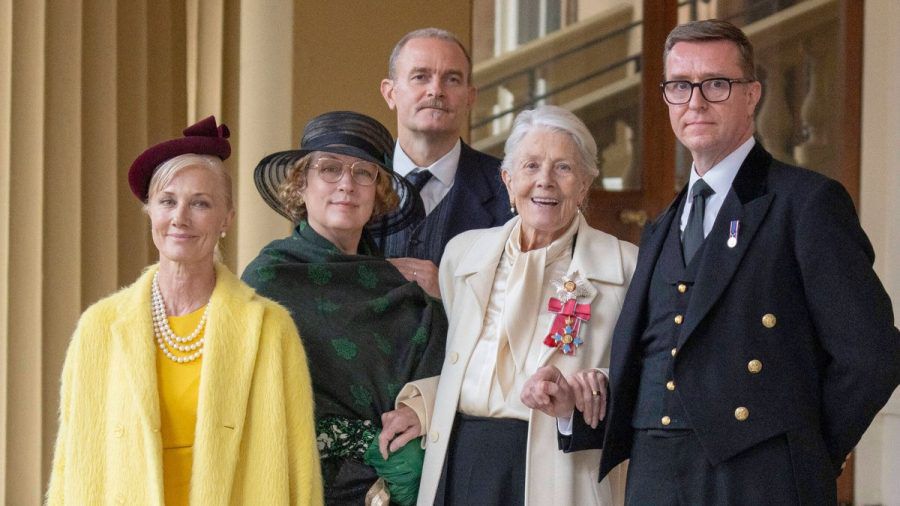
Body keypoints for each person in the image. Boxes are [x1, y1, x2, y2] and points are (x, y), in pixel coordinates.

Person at [523, 19, 900, 505]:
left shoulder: (805, 204)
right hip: (653, 479)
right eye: (680, 86)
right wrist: (578, 405)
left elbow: (871, 355)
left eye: (716, 84)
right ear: (666, 99)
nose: (695, 102)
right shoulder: (661, 227)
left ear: (752, 95)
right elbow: (658, 364)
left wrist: (803, 451)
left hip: (757, 484)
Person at [46, 116, 323, 505]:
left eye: (200, 203)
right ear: (150, 213)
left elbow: (301, 472)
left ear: (226, 218)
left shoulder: (270, 330)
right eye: (168, 201)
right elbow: (69, 466)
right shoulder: (100, 328)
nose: (180, 217)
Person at [379, 105, 637, 505]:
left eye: (564, 168)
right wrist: (427, 405)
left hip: (560, 471)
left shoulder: (624, 268)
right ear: (508, 179)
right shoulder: (462, 256)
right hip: (461, 463)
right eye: (531, 166)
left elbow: (642, 387)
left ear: (585, 184)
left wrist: (588, 390)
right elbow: (467, 364)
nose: (545, 182)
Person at [242, 111, 448, 505]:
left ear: (379, 193)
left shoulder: (404, 287)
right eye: (329, 169)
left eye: (363, 173)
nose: (347, 185)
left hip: (402, 491)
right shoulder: (267, 281)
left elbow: (452, 371)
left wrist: (419, 412)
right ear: (301, 185)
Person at [377, 27, 512, 299]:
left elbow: (528, 298)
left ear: (470, 97)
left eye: (451, 79)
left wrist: (451, 294)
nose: (435, 90)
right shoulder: (354, 182)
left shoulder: (509, 189)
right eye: (420, 77)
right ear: (390, 93)